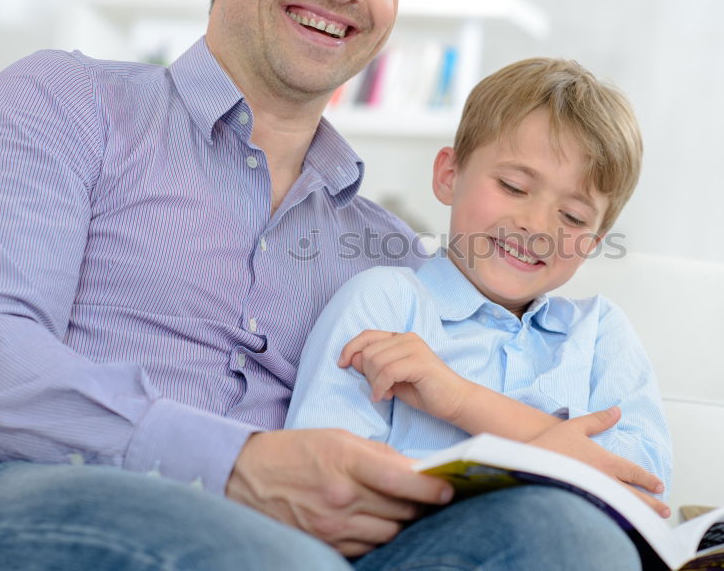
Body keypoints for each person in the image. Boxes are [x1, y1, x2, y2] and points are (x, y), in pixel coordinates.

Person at [0, 0, 664, 571]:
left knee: (567, 540)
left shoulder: (399, 264)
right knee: (282, 566)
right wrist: (236, 463)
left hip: (326, 549)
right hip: (42, 488)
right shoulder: (64, 101)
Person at [285, 58, 673, 524]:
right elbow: (326, 483)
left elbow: (640, 485)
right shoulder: (385, 304)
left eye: (572, 216)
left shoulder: (600, 332)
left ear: (592, 243)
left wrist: (459, 400)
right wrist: (557, 457)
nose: (536, 225)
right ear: (449, 175)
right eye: (513, 186)